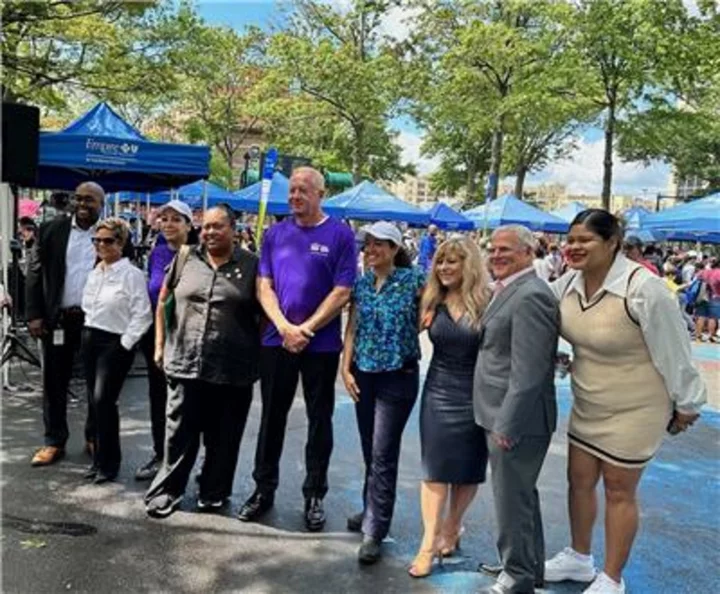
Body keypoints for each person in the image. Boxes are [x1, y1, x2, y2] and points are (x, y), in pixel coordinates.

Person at [545, 210, 706, 594]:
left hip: (637, 407)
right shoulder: (567, 283)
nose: (574, 247)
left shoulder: (644, 288)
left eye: (585, 240)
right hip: (588, 399)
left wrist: (687, 403)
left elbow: (675, 352)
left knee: (619, 489)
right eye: (570, 239)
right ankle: (579, 558)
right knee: (578, 481)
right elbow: (537, 312)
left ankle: (612, 578)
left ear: (613, 242)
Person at [237, 167, 356, 531]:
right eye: (291, 191)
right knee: (272, 416)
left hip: (319, 344)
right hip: (276, 341)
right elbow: (264, 286)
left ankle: (314, 494)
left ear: (320, 194)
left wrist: (305, 328)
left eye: (303, 190)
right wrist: (285, 327)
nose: (295, 197)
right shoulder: (275, 234)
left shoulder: (340, 235)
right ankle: (263, 489)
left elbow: (342, 291)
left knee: (320, 420)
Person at [145, 205, 261, 518]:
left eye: (217, 226)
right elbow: (163, 301)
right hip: (185, 359)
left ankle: (214, 492)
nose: (209, 232)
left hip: (233, 367)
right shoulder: (186, 258)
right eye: (206, 226)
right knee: (180, 431)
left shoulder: (253, 265)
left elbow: (264, 314)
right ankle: (168, 491)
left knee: (225, 435)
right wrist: (159, 345)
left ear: (234, 229)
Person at [474, 225, 559, 594]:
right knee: (520, 496)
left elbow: (529, 373)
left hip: (514, 419)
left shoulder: (530, 296)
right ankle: (525, 566)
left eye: (505, 249)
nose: (496, 255)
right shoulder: (511, 289)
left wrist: (507, 425)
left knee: (512, 499)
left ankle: (518, 576)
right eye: (492, 249)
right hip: (501, 412)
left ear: (528, 252)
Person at [340, 222, 424, 565]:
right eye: (368, 244)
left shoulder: (413, 280)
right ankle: (370, 507)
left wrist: (426, 321)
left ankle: (375, 529)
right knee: (368, 448)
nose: (371, 250)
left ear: (394, 248)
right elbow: (353, 326)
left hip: (397, 376)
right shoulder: (361, 284)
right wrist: (345, 368)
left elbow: (443, 300)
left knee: (382, 452)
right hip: (363, 374)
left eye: (379, 245)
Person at [408, 237, 491, 578]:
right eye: (440, 262)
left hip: (477, 395)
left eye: (451, 262)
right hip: (439, 393)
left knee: (469, 469)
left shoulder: (488, 301)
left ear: (468, 265)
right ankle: (428, 543)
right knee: (435, 469)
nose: (443, 268)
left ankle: (452, 527)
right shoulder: (430, 298)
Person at [25, 182, 105, 466]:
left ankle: (94, 437)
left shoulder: (111, 235)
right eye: (79, 198)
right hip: (57, 320)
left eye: (90, 200)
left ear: (101, 204)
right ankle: (54, 441)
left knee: (97, 384)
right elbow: (34, 273)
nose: (83, 204)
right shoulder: (50, 230)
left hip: (96, 323)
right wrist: (34, 314)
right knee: (54, 382)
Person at [81, 218, 152, 483]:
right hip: (91, 337)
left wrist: (124, 344)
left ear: (121, 243)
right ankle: (100, 460)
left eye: (107, 240)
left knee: (103, 401)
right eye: (96, 240)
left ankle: (110, 464)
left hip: (115, 341)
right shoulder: (95, 270)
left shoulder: (131, 274)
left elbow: (143, 314)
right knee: (94, 402)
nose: (101, 245)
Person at [135, 200, 195, 482]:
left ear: (188, 224)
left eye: (176, 219)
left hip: (188, 336)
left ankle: (187, 460)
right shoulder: (157, 254)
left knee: (189, 402)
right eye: (164, 219)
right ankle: (160, 454)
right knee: (158, 397)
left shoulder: (200, 254)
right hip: (157, 335)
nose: (168, 224)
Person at [695, 259, 720, 343]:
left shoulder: (704, 271)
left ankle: (698, 336)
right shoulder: (718, 272)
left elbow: (695, 279)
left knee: (701, 316)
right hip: (715, 297)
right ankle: (710, 336)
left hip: (702, 296)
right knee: (712, 317)